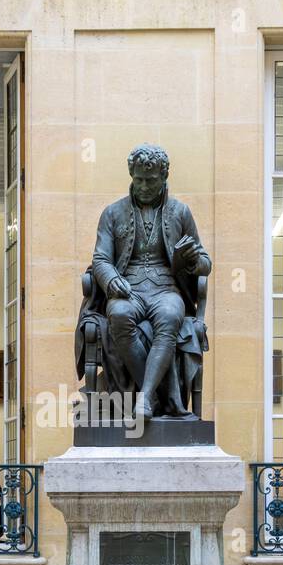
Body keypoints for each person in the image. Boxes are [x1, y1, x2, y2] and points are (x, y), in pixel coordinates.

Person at [80, 142, 211, 422]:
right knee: (118, 315)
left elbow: (205, 264)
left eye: (150, 180)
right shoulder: (112, 213)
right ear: (131, 176)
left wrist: (190, 260)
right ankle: (157, 398)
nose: (144, 186)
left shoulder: (180, 212)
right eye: (138, 179)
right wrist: (112, 279)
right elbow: (101, 258)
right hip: (129, 289)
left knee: (169, 317)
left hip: (166, 289)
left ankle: (145, 398)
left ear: (164, 177)